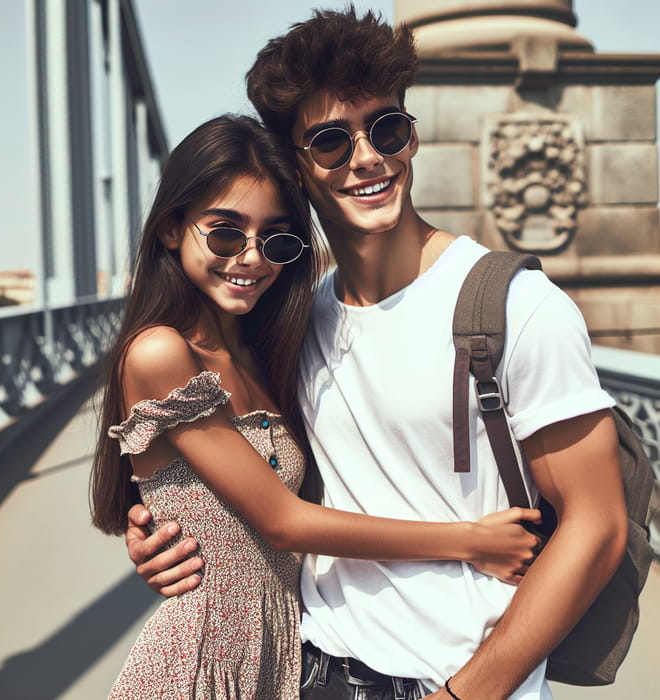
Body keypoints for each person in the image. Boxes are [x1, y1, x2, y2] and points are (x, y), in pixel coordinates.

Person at [125, 8, 628, 699]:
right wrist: (166, 526)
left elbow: (597, 528)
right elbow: (262, 481)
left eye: (387, 128)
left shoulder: (517, 308)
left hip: (457, 681)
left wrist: (464, 694)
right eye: (331, 142)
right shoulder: (292, 324)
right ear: (294, 168)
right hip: (314, 670)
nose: (368, 157)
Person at [91, 113, 543, 700]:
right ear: (173, 229)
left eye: (275, 239)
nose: (251, 258)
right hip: (202, 659)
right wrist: (471, 540)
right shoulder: (161, 353)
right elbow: (283, 523)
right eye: (225, 233)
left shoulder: (262, 351)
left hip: (281, 649)